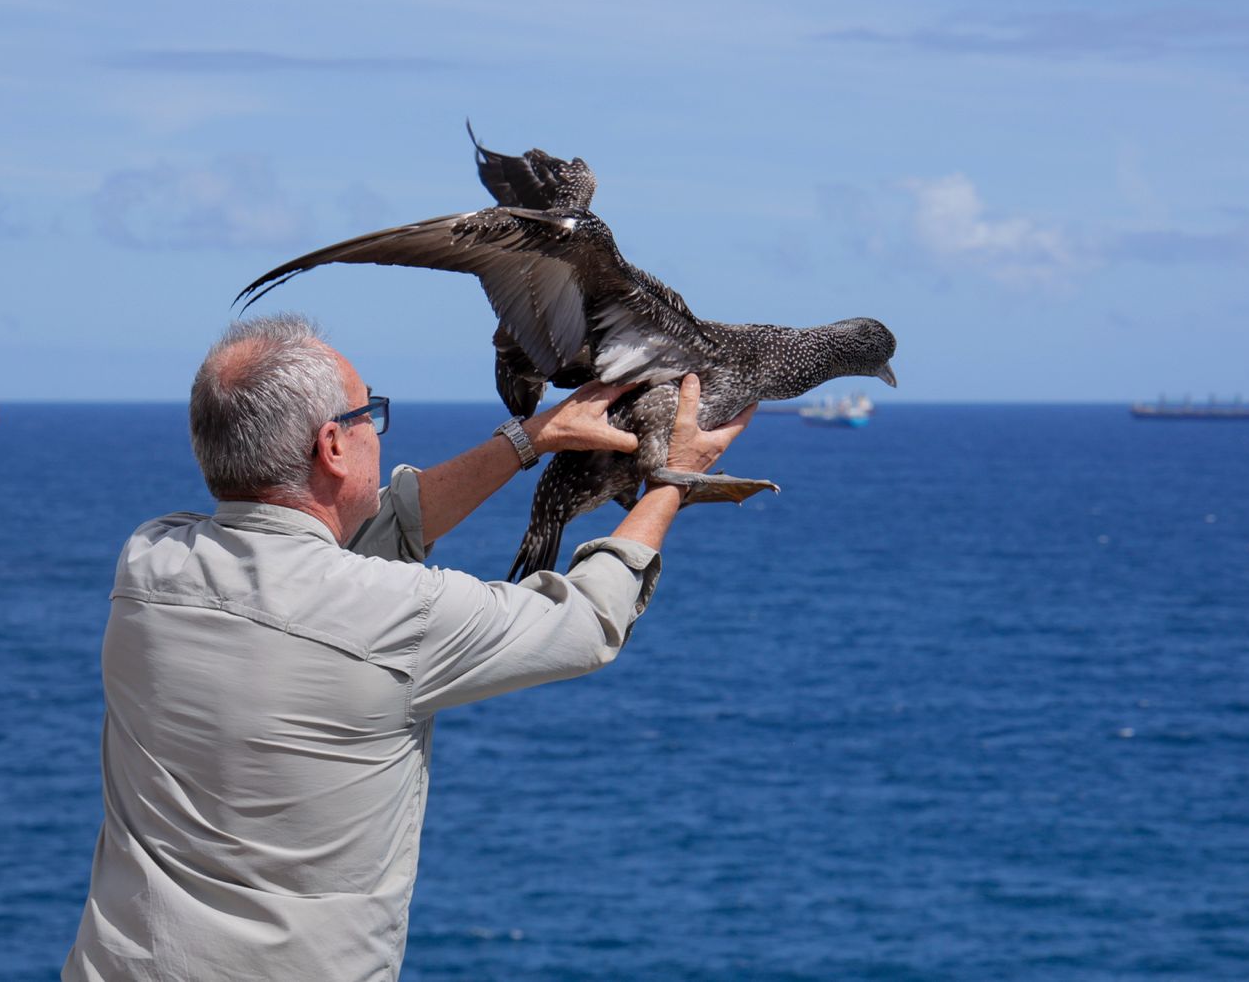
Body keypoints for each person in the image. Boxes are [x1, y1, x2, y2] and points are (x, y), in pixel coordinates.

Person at [62, 313, 754, 981]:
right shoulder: (400, 615)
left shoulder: (151, 560)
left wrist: (534, 438)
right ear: (333, 446)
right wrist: (672, 481)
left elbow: (345, 541)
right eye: (370, 416)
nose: (378, 433)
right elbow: (584, 623)